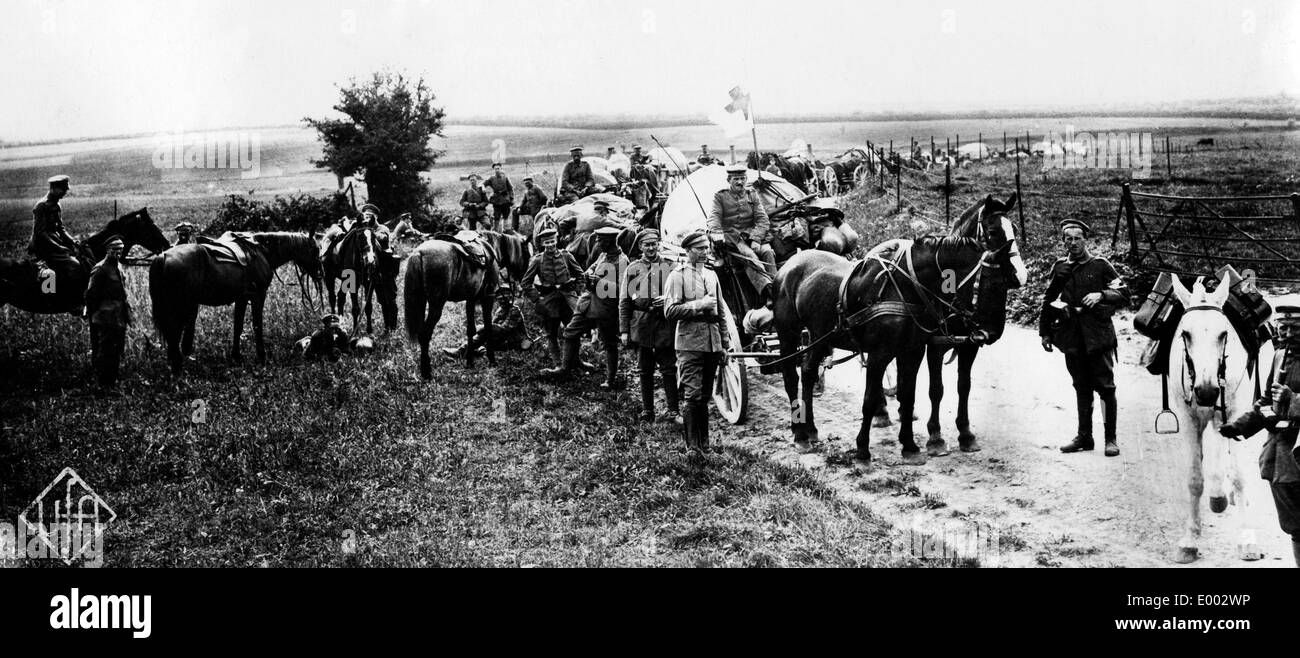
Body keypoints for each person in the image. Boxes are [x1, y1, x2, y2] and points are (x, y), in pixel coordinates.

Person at [1220, 295, 1300, 567]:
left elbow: (1286, 400)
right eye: (1283, 328)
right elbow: (1266, 401)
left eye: (1295, 329)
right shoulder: (1279, 356)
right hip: (1280, 457)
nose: (1288, 334)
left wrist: (1294, 400)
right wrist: (1238, 426)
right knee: (1294, 525)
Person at [1039, 218, 1129, 456]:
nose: (1073, 243)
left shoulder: (1100, 265)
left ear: (1086, 240)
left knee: (1106, 387)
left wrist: (1101, 295)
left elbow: (1124, 293)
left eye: (1078, 238)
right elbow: (1048, 300)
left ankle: (1110, 439)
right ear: (1063, 241)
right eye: (1068, 238)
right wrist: (1045, 332)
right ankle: (1084, 437)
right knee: (1081, 386)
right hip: (1071, 337)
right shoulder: (1059, 267)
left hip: (1098, 336)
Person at [664, 230, 731, 457]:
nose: (704, 252)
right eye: (699, 249)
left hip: (711, 343)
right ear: (688, 251)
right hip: (689, 342)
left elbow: (721, 311)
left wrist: (724, 343)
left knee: (704, 395)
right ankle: (692, 448)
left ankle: (705, 445)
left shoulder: (712, 276)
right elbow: (670, 311)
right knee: (692, 395)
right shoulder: (677, 276)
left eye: (705, 248)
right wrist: (699, 304)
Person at [543, 226, 627, 389]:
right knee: (570, 332)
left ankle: (610, 379)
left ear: (610, 241)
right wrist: (588, 275)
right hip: (588, 302)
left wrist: (600, 283)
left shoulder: (622, 261)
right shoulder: (603, 254)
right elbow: (590, 269)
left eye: (600, 240)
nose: (597, 243)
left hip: (607, 308)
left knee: (609, 344)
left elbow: (623, 290)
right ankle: (566, 368)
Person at [620, 229, 680, 424]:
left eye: (654, 244)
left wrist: (668, 300)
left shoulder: (670, 266)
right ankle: (648, 411)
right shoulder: (633, 269)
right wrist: (624, 330)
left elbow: (681, 293)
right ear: (640, 247)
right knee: (644, 369)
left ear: (659, 245)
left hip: (664, 323)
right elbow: (625, 301)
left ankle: (673, 410)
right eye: (647, 245)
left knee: (668, 367)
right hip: (642, 325)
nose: (651, 248)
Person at [707, 163, 778, 301]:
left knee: (767, 252)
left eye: (742, 178)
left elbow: (762, 219)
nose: (740, 182)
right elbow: (714, 217)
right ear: (729, 181)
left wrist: (756, 238)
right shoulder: (720, 196)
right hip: (733, 238)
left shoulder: (752, 195)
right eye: (736, 179)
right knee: (749, 256)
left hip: (751, 234)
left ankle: (778, 286)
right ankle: (768, 293)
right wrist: (716, 233)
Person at [521, 226, 585, 367]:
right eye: (546, 243)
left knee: (573, 331)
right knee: (552, 334)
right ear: (542, 244)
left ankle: (576, 360)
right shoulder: (537, 260)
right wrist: (537, 299)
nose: (550, 245)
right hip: (549, 302)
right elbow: (525, 282)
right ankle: (558, 363)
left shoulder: (566, 256)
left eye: (552, 241)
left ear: (556, 241)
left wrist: (577, 291)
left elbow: (581, 274)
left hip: (568, 300)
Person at [84, 235, 130, 388]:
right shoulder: (100, 269)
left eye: (121, 251)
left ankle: (112, 381)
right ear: (108, 251)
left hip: (119, 315)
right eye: (115, 251)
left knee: (117, 348)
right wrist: (96, 313)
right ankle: (103, 384)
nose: (118, 254)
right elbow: (91, 295)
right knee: (105, 349)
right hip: (105, 316)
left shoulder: (118, 266)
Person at [443, 284, 530, 357]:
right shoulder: (500, 310)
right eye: (500, 299)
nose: (502, 301)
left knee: (484, 333)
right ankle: (475, 350)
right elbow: (493, 326)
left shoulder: (514, 310)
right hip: (504, 338)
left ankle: (463, 351)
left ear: (510, 298)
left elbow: (504, 329)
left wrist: (483, 328)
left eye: (505, 298)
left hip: (515, 340)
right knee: (483, 336)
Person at [484, 164, 514, 232]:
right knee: (496, 216)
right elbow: (483, 184)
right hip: (496, 200)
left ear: (501, 169)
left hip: (505, 199)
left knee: (506, 215)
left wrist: (511, 198)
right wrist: (483, 188)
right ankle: (496, 231)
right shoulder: (491, 178)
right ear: (493, 170)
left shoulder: (505, 177)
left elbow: (510, 188)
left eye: (498, 168)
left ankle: (505, 230)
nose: (497, 170)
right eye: (495, 169)